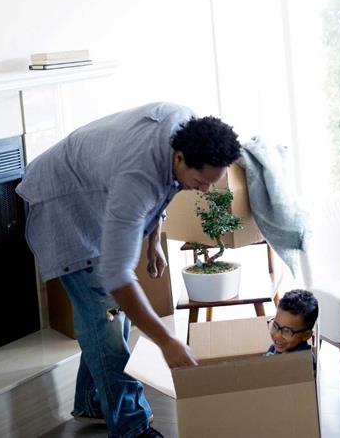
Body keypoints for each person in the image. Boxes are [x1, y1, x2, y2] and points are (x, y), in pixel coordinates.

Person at [16, 102, 240, 438]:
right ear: (179, 157)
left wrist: (155, 237)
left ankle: (92, 402)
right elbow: (117, 277)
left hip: (96, 192)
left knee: (108, 316)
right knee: (104, 316)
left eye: (212, 182)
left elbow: (170, 186)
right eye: (200, 181)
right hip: (62, 200)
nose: (205, 190)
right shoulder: (138, 178)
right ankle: (132, 428)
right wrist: (166, 341)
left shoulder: (186, 126)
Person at [265, 289, 318, 355]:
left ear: (306, 335)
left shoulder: (305, 359)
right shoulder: (273, 348)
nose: (277, 336)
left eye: (286, 331)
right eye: (275, 326)